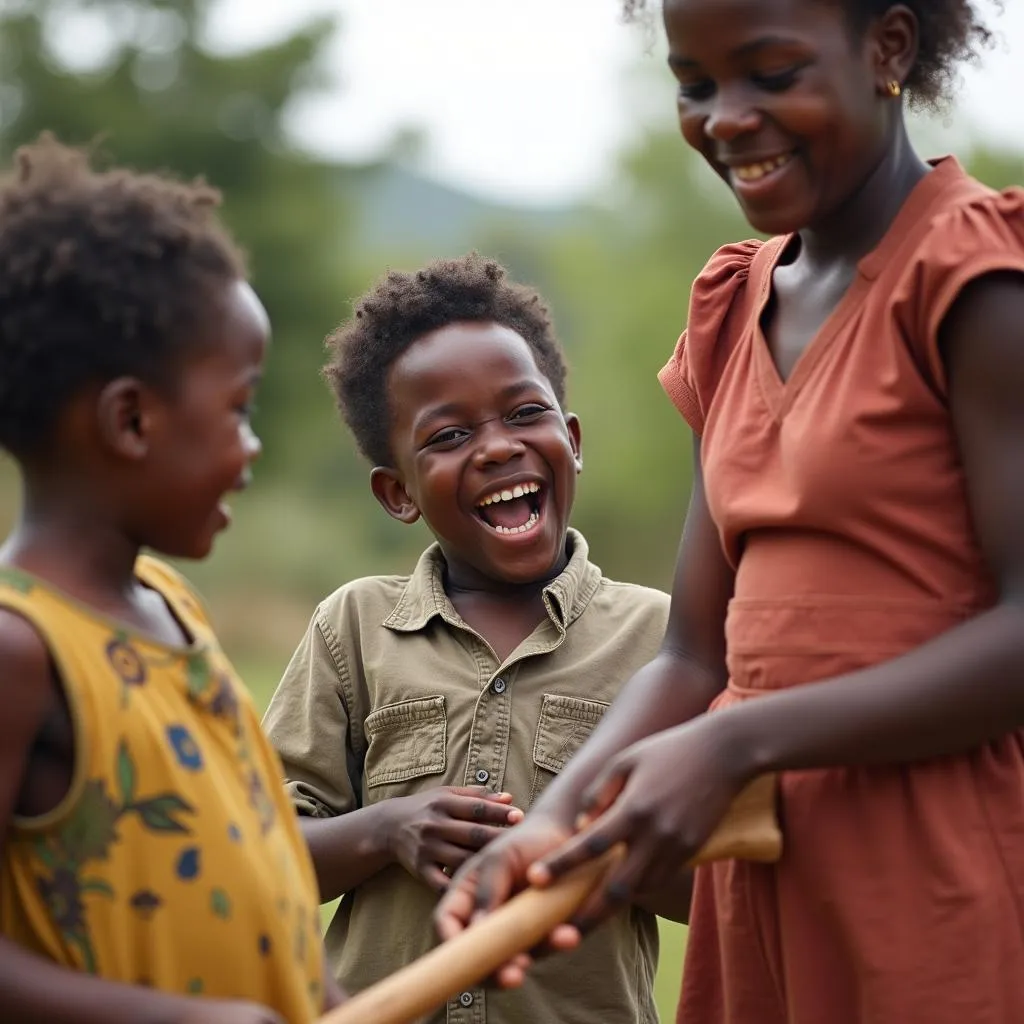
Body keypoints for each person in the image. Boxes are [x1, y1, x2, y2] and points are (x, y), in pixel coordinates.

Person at [435, 2, 1024, 1022]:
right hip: (759, 863)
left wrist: (737, 743)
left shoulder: (974, 284)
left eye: (771, 72)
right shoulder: (730, 306)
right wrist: (560, 815)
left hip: (939, 863)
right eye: (696, 84)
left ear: (887, 48)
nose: (726, 117)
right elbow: (694, 655)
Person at [262, 252, 683, 1024]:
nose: (496, 447)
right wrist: (386, 831)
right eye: (449, 434)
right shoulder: (353, 629)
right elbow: (262, 856)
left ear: (573, 439)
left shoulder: (665, 640)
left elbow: (714, 887)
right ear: (398, 493)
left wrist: (597, 847)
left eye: (526, 414)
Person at [0, 135, 344, 1024]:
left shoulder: (172, 608)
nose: (251, 447)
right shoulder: (20, 648)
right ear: (131, 420)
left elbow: (262, 868)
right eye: (239, 407)